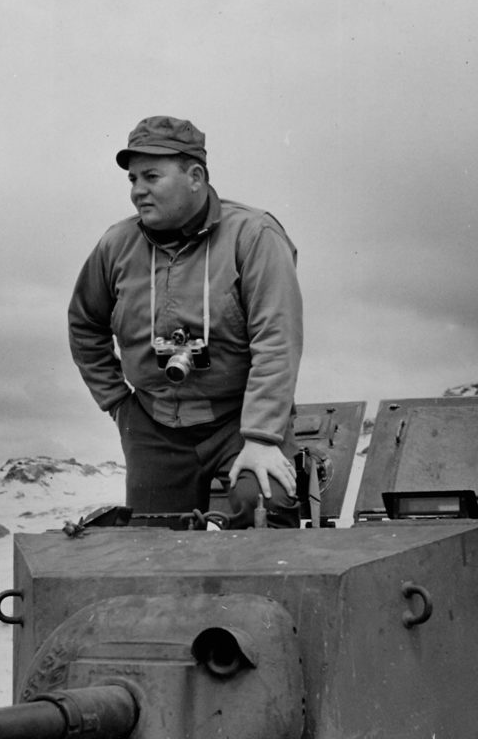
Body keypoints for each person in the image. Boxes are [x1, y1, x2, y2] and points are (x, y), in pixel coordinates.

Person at [68, 115, 303, 528]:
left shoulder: (254, 236)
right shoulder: (115, 245)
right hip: (154, 425)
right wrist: (118, 404)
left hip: (239, 419)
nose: (138, 190)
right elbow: (85, 323)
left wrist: (263, 437)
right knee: (153, 544)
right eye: (133, 179)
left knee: (264, 500)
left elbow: (277, 339)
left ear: (195, 176)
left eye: (151, 176)